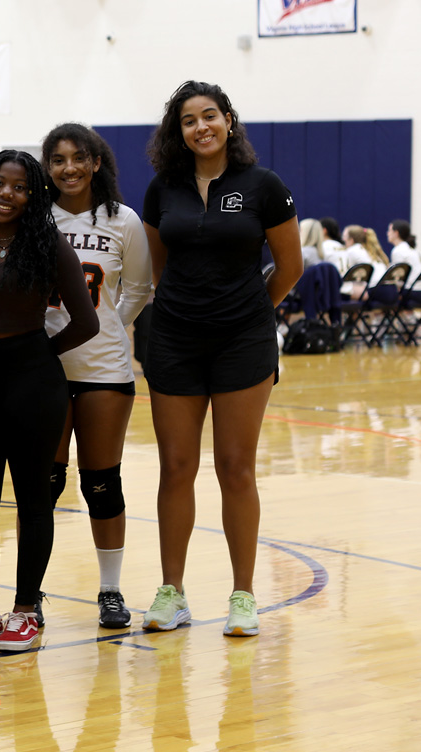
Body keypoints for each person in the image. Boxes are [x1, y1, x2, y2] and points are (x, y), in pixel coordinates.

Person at [139, 81, 303, 638]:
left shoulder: (265, 186)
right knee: (176, 468)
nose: (201, 127)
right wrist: (190, 311)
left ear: (229, 121)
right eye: (189, 120)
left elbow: (289, 268)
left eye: (210, 116)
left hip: (243, 343)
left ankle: (243, 596)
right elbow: (160, 269)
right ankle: (172, 592)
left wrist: (249, 312)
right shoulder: (164, 189)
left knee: (236, 468)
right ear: (178, 132)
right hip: (176, 343)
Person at [0, 150, 98, 653]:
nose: (6, 194)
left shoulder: (48, 244)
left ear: (34, 196)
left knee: (33, 499)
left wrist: (37, 352)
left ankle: (26, 611)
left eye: (20, 187)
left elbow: (86, 321)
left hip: (34, 382)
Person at [41, 123, 153, 629]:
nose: (69, 168)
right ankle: (29, 588)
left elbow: (139, 288)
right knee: (42, 483)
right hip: (42, 368)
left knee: (102, 481)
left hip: (104, 368)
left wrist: (109, 325)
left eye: (78, 158)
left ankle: (110, 590)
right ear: (47, 168)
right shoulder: (35, 217)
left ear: (96, 163)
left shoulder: (122, 220)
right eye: (58, 159)